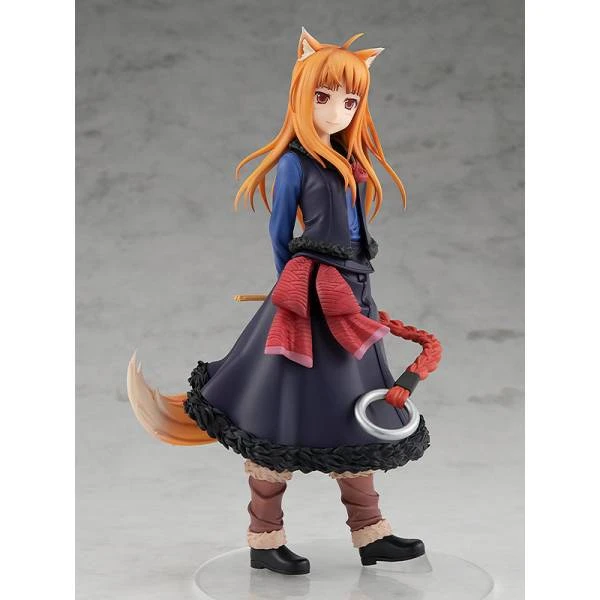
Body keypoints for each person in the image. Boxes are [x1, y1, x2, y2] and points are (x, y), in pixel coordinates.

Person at [127, 27, 439, 577]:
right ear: (302, 94)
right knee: (278, 412)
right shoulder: (296, 163)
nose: (338, 111)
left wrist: (355, 291)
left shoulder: (350, 161)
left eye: (350, 101)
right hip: (307, 299)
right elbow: (279, 234)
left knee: (357, 408)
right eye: (324, 97)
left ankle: (371, 533)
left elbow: (356, 236)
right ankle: (265, 538)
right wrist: (291, 292)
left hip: (352, 298)